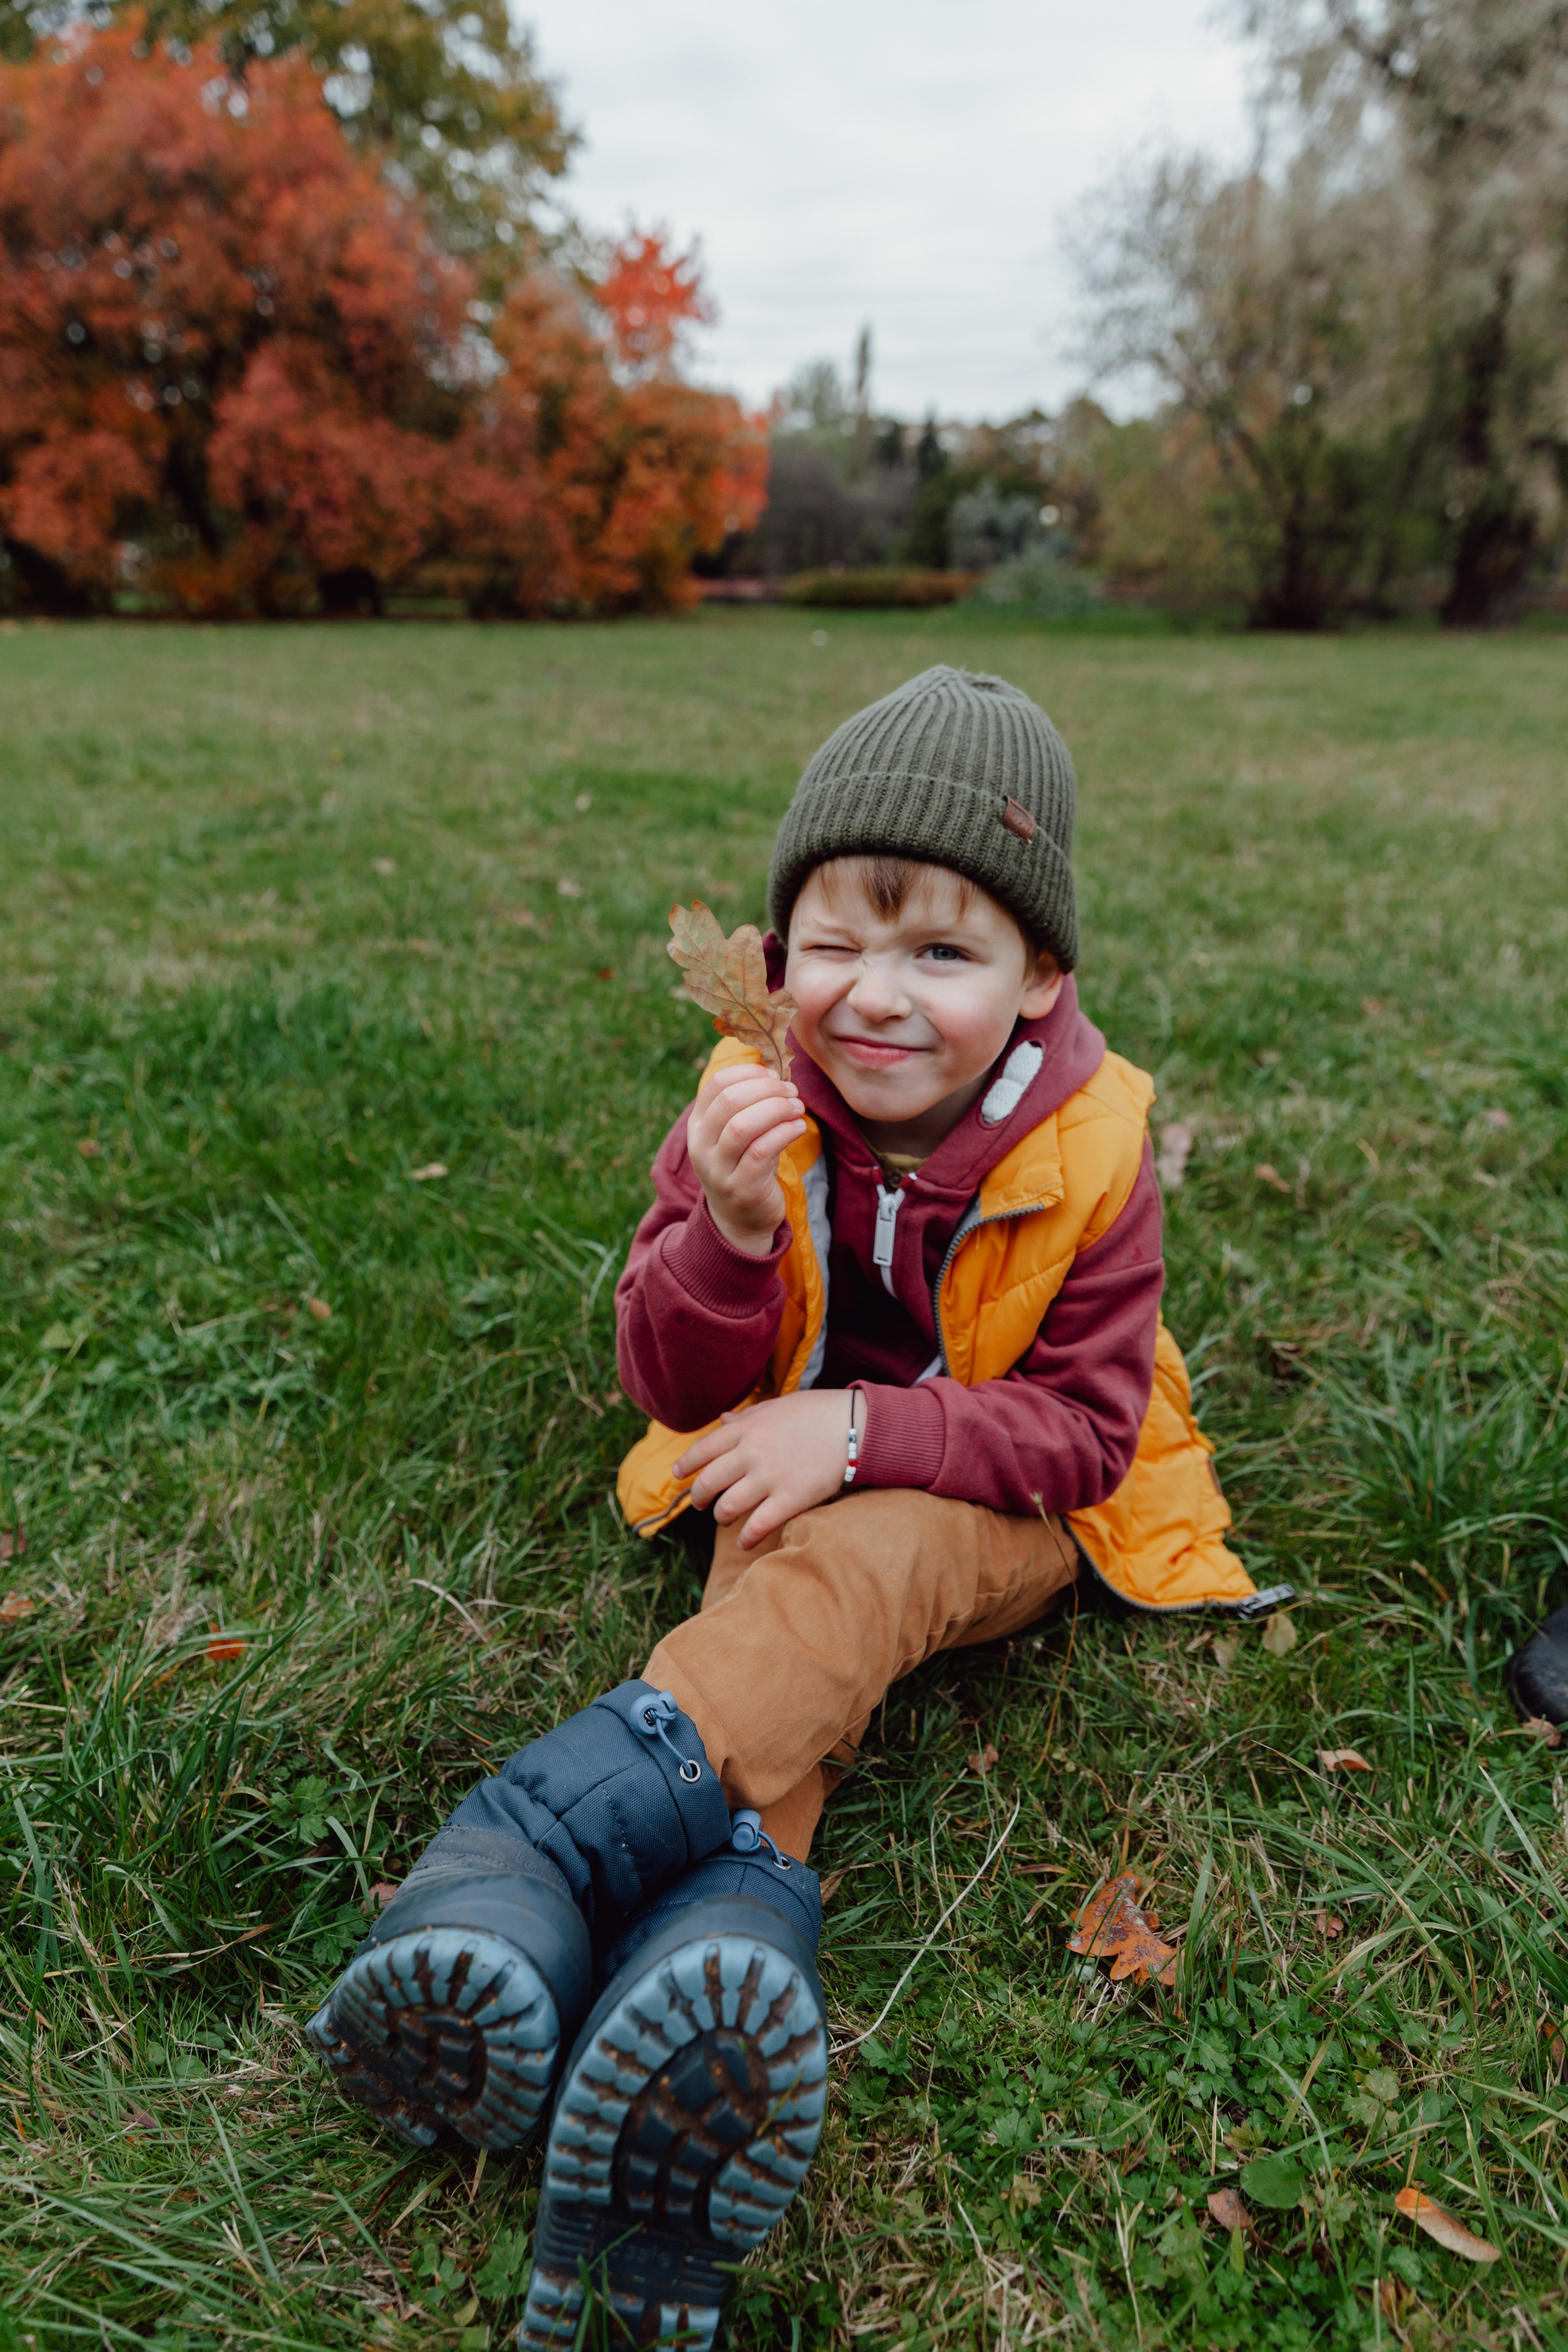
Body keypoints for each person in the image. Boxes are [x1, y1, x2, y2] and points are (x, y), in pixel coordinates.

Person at [307, 666, 1288, 2351]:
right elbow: (670, 1378)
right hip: (780, 1467)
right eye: (833, 942)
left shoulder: (1094, 1149)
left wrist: (862, 1427)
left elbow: (1079, 1433)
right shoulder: (749, 1106)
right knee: (783, 1554)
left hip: (1002, 1501)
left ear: (1043, 975)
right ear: (777, 959)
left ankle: (534, 1844)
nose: (877, 998)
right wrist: (738, 1235)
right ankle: (708, 1978)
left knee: (861, 1551)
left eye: (944, 952)